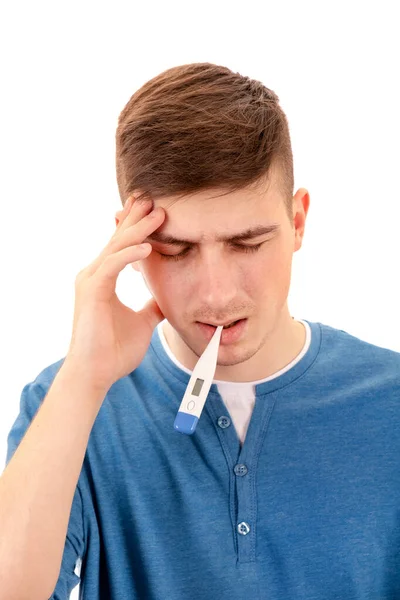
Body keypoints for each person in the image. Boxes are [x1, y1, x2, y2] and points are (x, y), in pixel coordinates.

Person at [1, 62, 400, 600]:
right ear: (128, 244)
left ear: (298, 222)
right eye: (177, 251)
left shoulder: (390, 401)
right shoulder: (68, 405)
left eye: (247, 244)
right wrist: (84, 381)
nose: (216, 295)